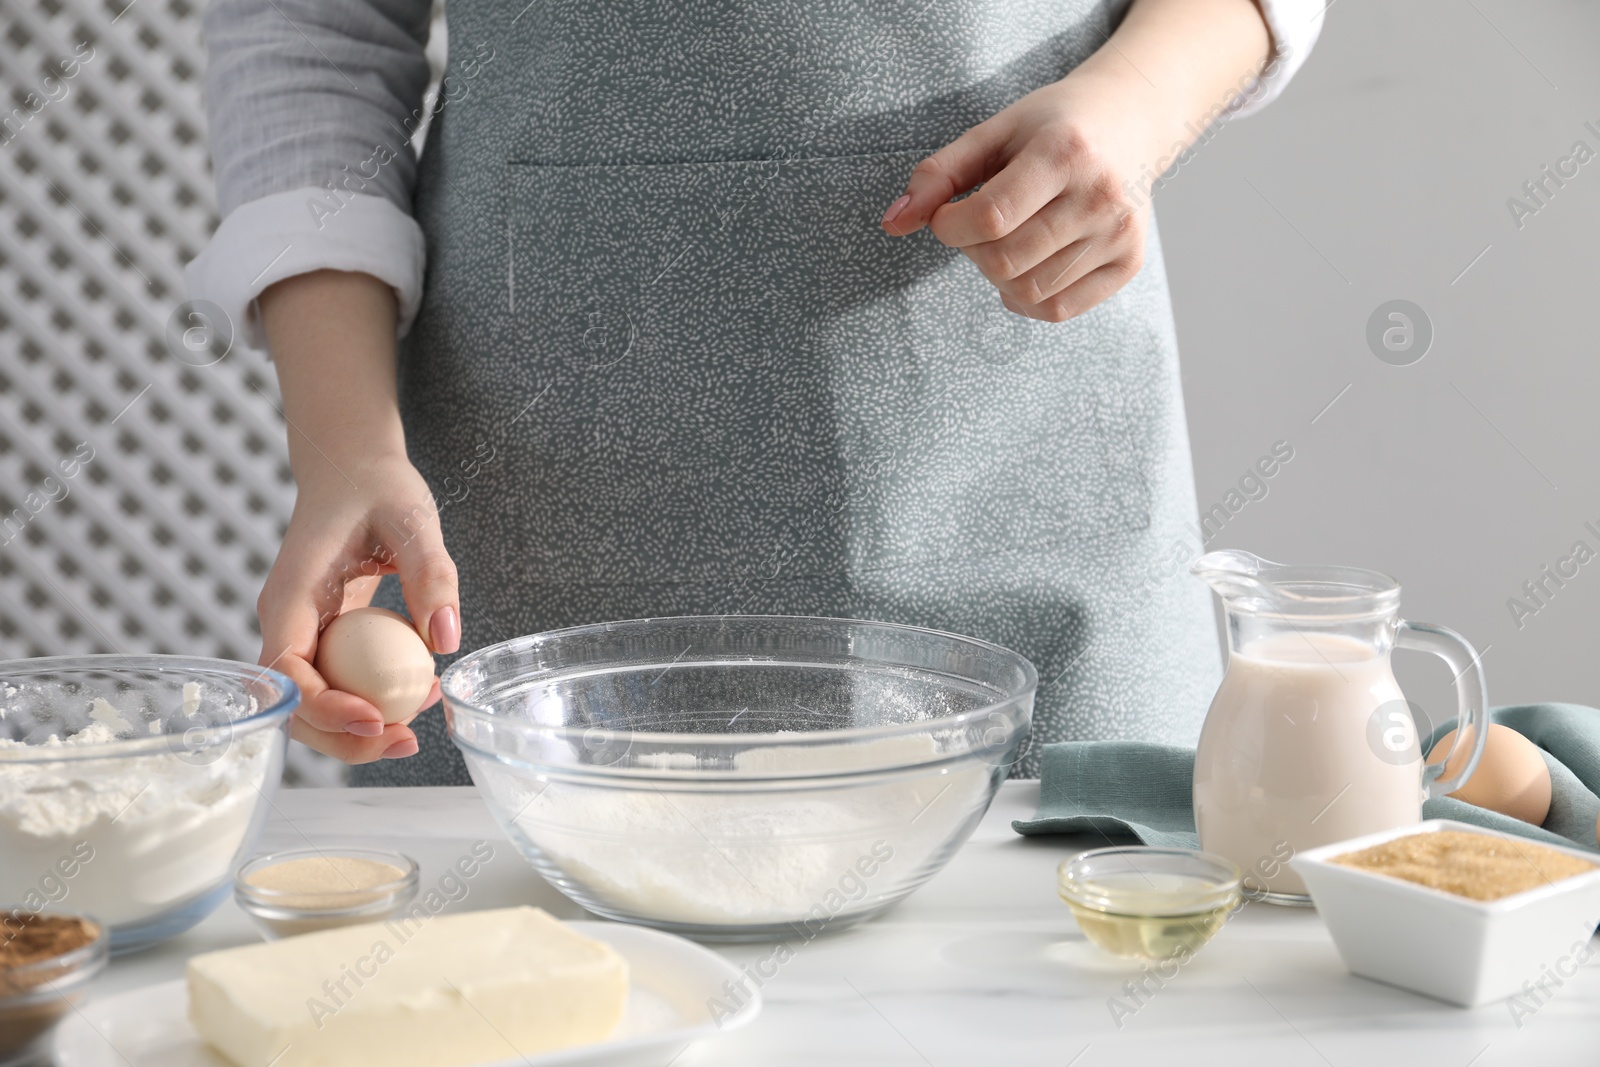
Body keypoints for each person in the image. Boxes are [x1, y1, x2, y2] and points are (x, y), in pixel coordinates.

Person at [188, 0, 1323, 784]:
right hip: (551, 507)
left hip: (1032, 452)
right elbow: (309, 31)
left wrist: (1135, 107)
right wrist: (346, 446)